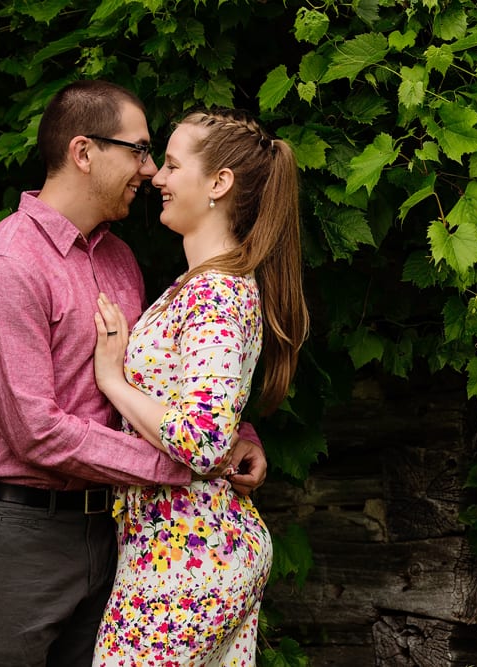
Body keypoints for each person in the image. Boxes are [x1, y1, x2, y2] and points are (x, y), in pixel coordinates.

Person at [0, 81, 268, 667]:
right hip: (18, 531)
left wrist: (234, 436)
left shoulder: (118, 258)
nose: (148, 170)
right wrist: (180, 467)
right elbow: (36, 430)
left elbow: (158, 381)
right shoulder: (6, 265)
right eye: (139, 151)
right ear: (84, 152)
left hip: (115, 533)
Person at [89, 108, 309, 665]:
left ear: (218, 184)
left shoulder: (212, 294)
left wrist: (112, 380)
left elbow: (203, 440)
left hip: (186, 563)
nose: (156, 178)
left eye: (170, 164)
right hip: (187, 555)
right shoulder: (207, 286)